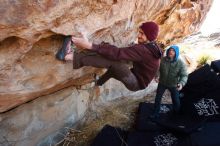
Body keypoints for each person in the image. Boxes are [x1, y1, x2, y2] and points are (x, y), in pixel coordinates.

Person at [56, 21, 162, 91]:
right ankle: (99, 82)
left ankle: (69, 56)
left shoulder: (144, 50)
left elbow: (117, 54)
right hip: (136, 77)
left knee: (115, 63)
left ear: (149, 36)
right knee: (114, 67)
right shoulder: (152, 47)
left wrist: (90, 46)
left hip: (136, 84)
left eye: (142, 33)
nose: (138, 35)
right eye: (139, 32)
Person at [151, 45, 188, 118]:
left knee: (176, 100)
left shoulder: (180, 63)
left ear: (176, 53)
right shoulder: (163, 59)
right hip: (162, 83)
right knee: (158, 98)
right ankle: (155, 112)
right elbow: (157, 69)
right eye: (170, 50)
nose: (171, 52)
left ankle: (176, 114)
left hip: (174, 85)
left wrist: (181, 83)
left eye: (173, 51)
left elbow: (184, 75)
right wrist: (157, 76)